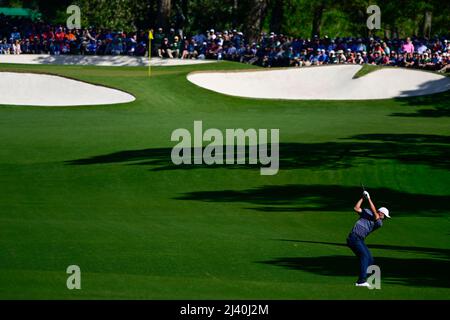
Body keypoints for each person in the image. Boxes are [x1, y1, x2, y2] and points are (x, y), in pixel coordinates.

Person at [347, 191, 390, 287]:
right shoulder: (367, 212)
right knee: (365, 257)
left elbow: (375, 213)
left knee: (370, 260)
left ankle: (363, 277)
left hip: (359, 240)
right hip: (354, 237)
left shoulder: (379, 223)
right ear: (381, 212)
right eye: (385, 216)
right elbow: (356, 208)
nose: (384, 219)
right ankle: (361, 281)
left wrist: (369, 198)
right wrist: (363, 197)